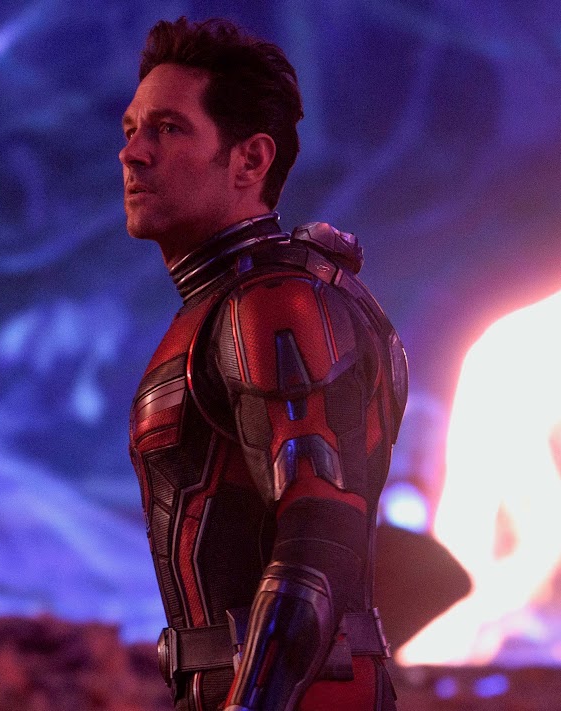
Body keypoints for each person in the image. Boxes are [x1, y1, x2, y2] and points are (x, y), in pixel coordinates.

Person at [119, 18, 409, 711]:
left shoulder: (275, 303)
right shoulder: (230, 302)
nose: (132, 153)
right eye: (130, 129)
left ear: (250, 160)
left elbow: (317, 547)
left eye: (167, 128)